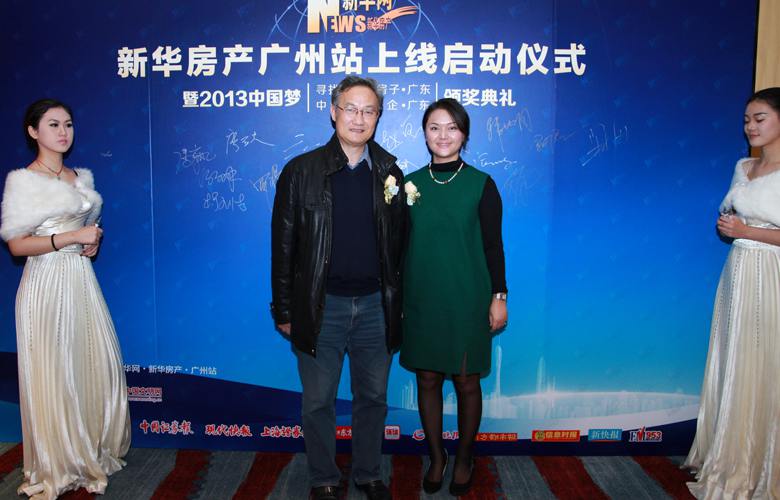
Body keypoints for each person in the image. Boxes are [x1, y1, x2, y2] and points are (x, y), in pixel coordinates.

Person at [271, 76, 405, 500]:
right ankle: (324, 479)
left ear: (378, 117)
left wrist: (398, 305)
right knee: (318, 401)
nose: (359, 118)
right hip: (320, 307)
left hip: (375, 307)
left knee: (373, 398)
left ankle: (368, 473)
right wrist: (284, 310)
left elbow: (400, 248)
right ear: (333, 111)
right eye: (350, 108)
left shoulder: (390, 173)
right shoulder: (300, 171)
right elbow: (283, 246)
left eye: (369, 111)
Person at [0, 99, 131, 499]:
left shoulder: (80, 177)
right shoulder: (24, 180)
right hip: (45, 285)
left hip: (80, 280)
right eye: (53, 124)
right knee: (54, 373)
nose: (63, 132)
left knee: (93, 363)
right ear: (33, 131)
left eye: (68, 124)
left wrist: (91, 242)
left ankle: (89, 449)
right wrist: (71, 237)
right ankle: (59, 462)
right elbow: (17, 245)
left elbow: (87, 229)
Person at [400, 98, 508, 496]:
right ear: (424, 133)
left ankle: (464, 458)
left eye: (451, 127)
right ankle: (436, 456)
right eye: (434, 127)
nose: (443, 135)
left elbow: (494, 246)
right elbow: (400, 247)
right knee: (427, 378)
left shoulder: (482, 184)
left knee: (466, 381)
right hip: (422, 298)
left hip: (467, 298)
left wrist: (499, 295)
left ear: (464, 133)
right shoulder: (409, 184)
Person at [684, 87, 780, 499]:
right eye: (746, 120)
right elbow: (735, 218)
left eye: (760, 118)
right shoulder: (743, 166)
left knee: (764, 362)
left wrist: (748, 231)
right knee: (734, 358)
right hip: (738, 272)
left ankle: (760, 462)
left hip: (771, 274)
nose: (750, 127)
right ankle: (729, 453)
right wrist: (733, 228)